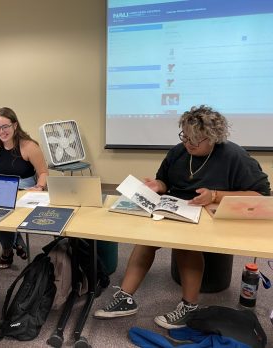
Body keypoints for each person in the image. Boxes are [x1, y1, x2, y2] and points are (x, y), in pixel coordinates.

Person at [94, 105, 270, 329]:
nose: (188, 144)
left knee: (186, 246)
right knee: (145, 241)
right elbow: (164, 181)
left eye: (194, 140)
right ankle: (125, 299)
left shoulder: (234, 156)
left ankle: (189, 307)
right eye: (185, 136)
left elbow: (260, 194)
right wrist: (156, 185)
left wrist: (215, 195)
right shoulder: (179, 152)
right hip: (175, 207)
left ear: (212, 138)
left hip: (209, 214)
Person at [0, 107, 48, 269]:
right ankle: (15, 239)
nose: (1, 131)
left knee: (4, 215)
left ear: (15, 126)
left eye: (5, 127)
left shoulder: (29, 146)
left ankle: (7, 250)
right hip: (1, 191)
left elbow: (44, 172)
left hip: (25, 192)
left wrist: (39, 186)